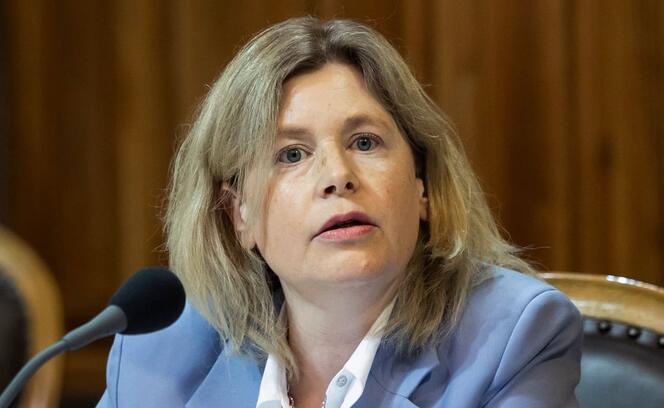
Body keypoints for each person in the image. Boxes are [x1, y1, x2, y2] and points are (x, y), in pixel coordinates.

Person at [97, 17, 582, 408]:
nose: (338, 175)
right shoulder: (159, 353)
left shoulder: (511, 337)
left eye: (365, 142)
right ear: (237, 214)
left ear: (422, 184)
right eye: (291, 154)